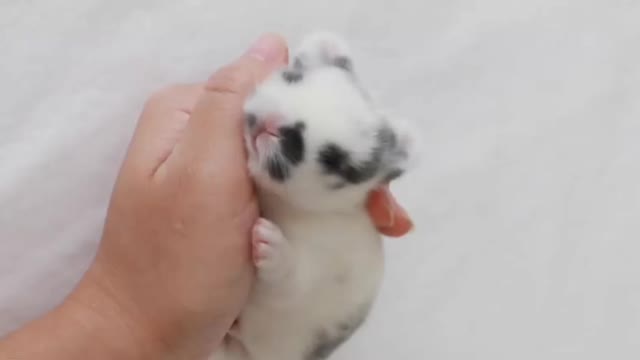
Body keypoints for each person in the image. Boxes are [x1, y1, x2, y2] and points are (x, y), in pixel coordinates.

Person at [0, 34, 412, 359]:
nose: (269, 128)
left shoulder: (333, 237)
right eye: (290, 83)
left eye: (300, 142)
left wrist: (130, 318)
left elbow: (300, 283)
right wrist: (131, 317)